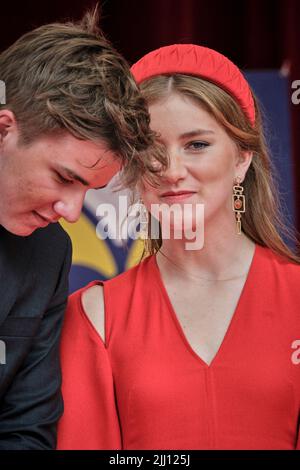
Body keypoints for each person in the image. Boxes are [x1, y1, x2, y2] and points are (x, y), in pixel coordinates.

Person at [57, 44, 300, 450]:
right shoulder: (94, 315)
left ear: (242, 158)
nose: (171, 171)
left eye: (197, 144)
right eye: (151, 148)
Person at [0, 7, 166, 450]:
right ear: (4, 130)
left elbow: (26, 427)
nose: (73, 213)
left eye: (89, 190)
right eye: (64, 178)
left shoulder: (48, 252)